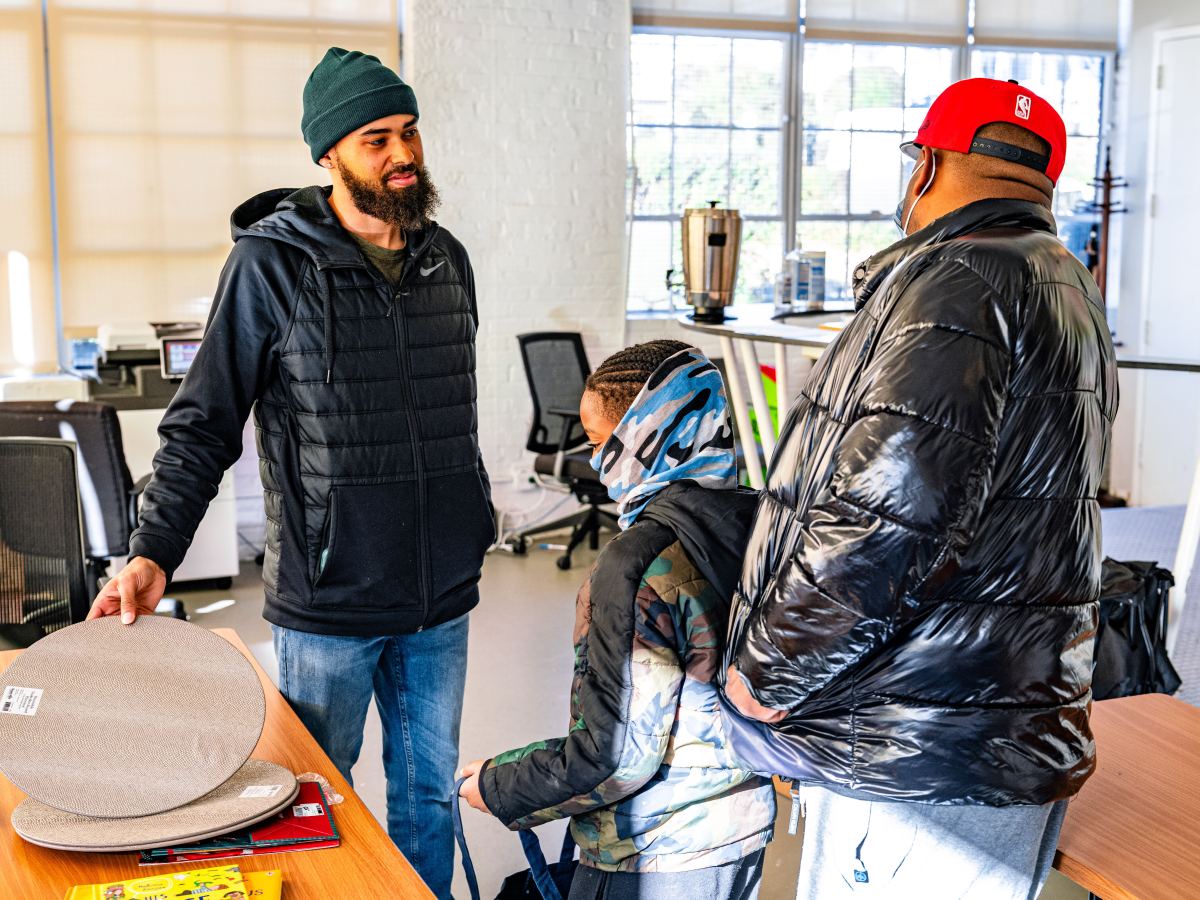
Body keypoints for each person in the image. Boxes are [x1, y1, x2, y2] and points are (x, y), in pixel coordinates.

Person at [87, 48, 492, 898]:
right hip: (330, 598)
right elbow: (204, 423)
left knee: (428, 797)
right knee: (314, 802)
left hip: (441, 593)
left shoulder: (446, 259)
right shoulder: (271, 266)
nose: (403, 153)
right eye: (376, 139)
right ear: (329, 154)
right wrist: (153, 551)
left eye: (410, 131)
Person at [722, 78, 1117, 899]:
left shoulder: (956, 281)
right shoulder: (1068, 285)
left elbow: (885, 518)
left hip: (910, 742)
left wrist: (769, 669)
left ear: (928, 166)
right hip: (999, 726)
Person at [458, 341, 775, 899]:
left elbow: (616, 757)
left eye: (600, 443)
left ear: (647, 436)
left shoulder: (634, 565)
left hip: (654, 854)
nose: (596, 462)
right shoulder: (762, 526)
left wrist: (498, 783)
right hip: (740, 834)